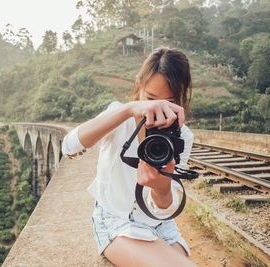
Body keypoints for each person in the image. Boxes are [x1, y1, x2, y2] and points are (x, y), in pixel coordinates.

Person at [62, 47, 198, 267]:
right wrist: (129, 109)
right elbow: (69, 148)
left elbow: (164, 209)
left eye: (169, 101)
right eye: (151, 98)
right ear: (138, 86)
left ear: (180, 97)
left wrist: (161, 188)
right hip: (116, 220)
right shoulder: (120, 117)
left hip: (163, 227)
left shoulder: (182, 136)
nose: (157, 110)